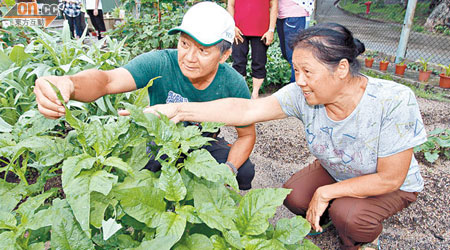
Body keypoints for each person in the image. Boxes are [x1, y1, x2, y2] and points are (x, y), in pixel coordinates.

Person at [145, 23, 427, 250]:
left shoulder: (393, 100)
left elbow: (391, 178)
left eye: (307, 71)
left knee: (350, 217)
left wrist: (326, 193)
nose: (299, 80)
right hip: (338, 169)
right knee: (293, 197)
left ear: (341, 69)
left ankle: (362, 238)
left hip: (389, 183)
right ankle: (329, 215)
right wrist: (180, 109)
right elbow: (246, 110)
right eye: (296, 70)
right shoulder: (301, 94)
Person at [34, 2, 256, 190]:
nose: (189, 57)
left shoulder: (233, 84)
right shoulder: (160, 62)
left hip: (201, 143)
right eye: (184, 44)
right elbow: (107, 80)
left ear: (224, 55)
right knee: (139, 174)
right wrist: (69, 83)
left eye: (203, 50)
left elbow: (246, 135)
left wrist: (228, 171)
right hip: (158, 141)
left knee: (243, 171)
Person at [227, 0, 278, 99]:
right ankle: (240, 93)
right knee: (238, 62)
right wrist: (232, 26)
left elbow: (274, 6)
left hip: (261, 29)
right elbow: (230, 4)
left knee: (259, 62)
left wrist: (271, 30)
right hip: (238, 30)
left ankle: (255, 94)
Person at [276, 0, 314, 82]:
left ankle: (296, 89)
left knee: (294, 56)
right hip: (281, 15)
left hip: (295, 14)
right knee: (286, 54)